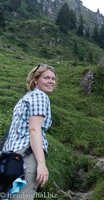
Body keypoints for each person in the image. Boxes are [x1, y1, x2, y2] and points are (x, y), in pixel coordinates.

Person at [2, 64, 56, 199]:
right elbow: (34, 129)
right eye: (46, 78)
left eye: (53, 79)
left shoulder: (26, 98)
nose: (51, 81)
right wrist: (42, 164)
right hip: (27, 155)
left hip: (12, 158)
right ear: (35, 80)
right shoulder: (40, 96)